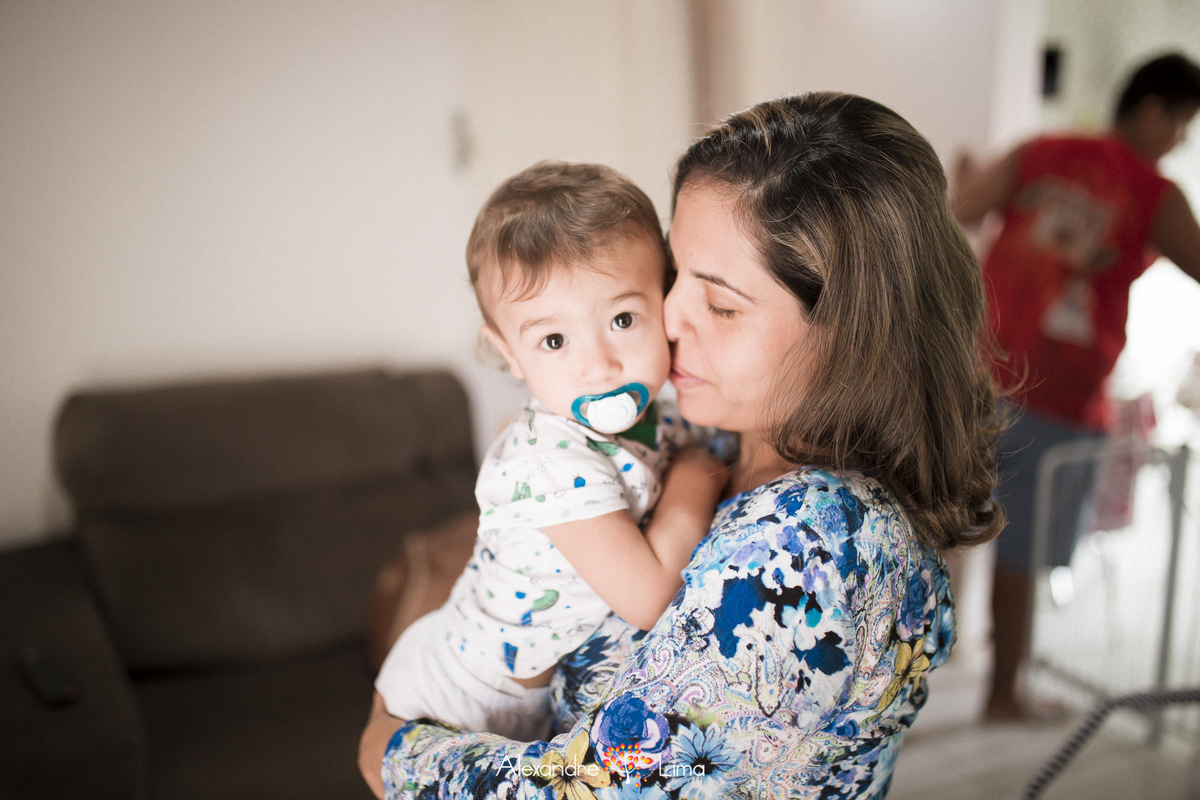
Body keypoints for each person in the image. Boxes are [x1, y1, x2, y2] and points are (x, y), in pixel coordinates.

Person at [360, 92, 1003, 798]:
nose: (666, 317)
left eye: (720, 304)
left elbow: (600, 789)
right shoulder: (717, 436)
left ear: (852, 332)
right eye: (674, 276)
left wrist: (394, 754)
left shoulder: (811, 546)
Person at [372, 160, 727, 741]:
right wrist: (696, 476)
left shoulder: (661, 414)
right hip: (459, 698)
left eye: (623, 318)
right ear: (509, 352)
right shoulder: (546, 464)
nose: (598, 365)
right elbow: (650, 597)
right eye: (554, 340)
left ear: (665, 297)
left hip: (529, 701)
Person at [953, 52, 1200, 722]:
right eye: (1182, 124)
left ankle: (963, 688)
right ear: (1154, 110)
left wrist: (967, 174)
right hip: (1056, 398)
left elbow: (962, 209)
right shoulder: (1156, 194)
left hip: (982, 377)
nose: (1181, 140)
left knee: (949, 530)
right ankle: (1002, 695)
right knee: (1020, 551)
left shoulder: (1040, 151)